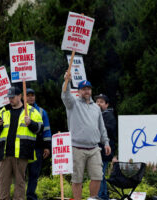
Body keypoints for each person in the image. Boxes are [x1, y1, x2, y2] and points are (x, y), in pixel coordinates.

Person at [61, 72, 111, 200]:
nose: (86, 91)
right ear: (78, 92)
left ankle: (92, 199)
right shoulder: (72, 104)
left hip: (94, 148)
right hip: (77, 147)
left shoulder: (96, 107)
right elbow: (65, 96)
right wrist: (67, 81)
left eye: (88, 88)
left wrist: (106, 142)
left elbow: (101, 127)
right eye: (83, 89)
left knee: (98, 176)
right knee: (77, 179)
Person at [0, 87, 43, 200]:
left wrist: (30, 123)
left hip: (22, 153)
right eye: (9, 97)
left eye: (13, 97)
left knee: (20, 184)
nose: (10, 99)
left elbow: (40, 128)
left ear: (20, 96)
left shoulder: (31, 111)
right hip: (5, 153)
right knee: (3, 184)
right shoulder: (3, 111)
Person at [25, 88, 52, 200]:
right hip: (21, 148)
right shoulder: (19, 110)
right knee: (20, 175)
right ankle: (20, 196)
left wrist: (47, 147)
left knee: (34, 175)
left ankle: (30, 196)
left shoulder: (41, 112)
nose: (31, 97)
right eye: (28, 95)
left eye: (32, 95)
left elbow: (46, 130)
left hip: (37, 148)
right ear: (23, 97)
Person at [94, 94, 117, 200]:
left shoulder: (109, 116)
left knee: (100, 174)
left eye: (101, 102)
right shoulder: (95, 115)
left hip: (105, 151)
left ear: (106, 105)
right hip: (97, 150)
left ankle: (102, 196)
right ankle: (102, 195)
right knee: (99, 174)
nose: (98, 104)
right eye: (97, 101)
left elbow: (108, 130)